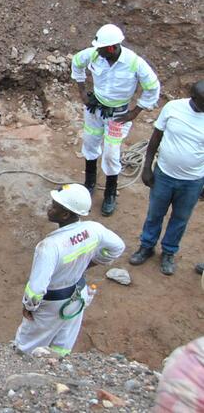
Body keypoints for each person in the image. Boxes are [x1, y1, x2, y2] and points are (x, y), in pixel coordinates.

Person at [14, 184, 125, 356]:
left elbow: (36, 289)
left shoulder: (49, 247)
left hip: (51, 304)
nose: (49, 208)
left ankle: (22, 372)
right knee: (62, 343)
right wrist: (94, 261)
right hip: (78, 296)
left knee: (26, 346)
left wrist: (29, 306)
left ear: (65, 214)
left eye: (54, 206)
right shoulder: (93, 229)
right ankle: (56, 369)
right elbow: (118, 246)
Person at [71, 23, 160, 216]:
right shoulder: (94, 54)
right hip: (95, 109)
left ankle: (110, 193)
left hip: (118, 115)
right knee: (89, 143)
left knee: (111, 154)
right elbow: (76, 63)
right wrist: (81, 92)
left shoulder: (134, 63)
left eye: (102, 49)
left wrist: (134, 112)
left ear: (112, 47)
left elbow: (152, 87)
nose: (98, 51)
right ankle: (90, 183)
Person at [129, 80, 204, 275]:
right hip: (164, 175)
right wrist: (147, 167)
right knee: (155, 213)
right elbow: (156, 138)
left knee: (180, 218)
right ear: (194, 98)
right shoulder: (173, 108)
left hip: (193, 181)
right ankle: (146, 246)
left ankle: (169, 252)